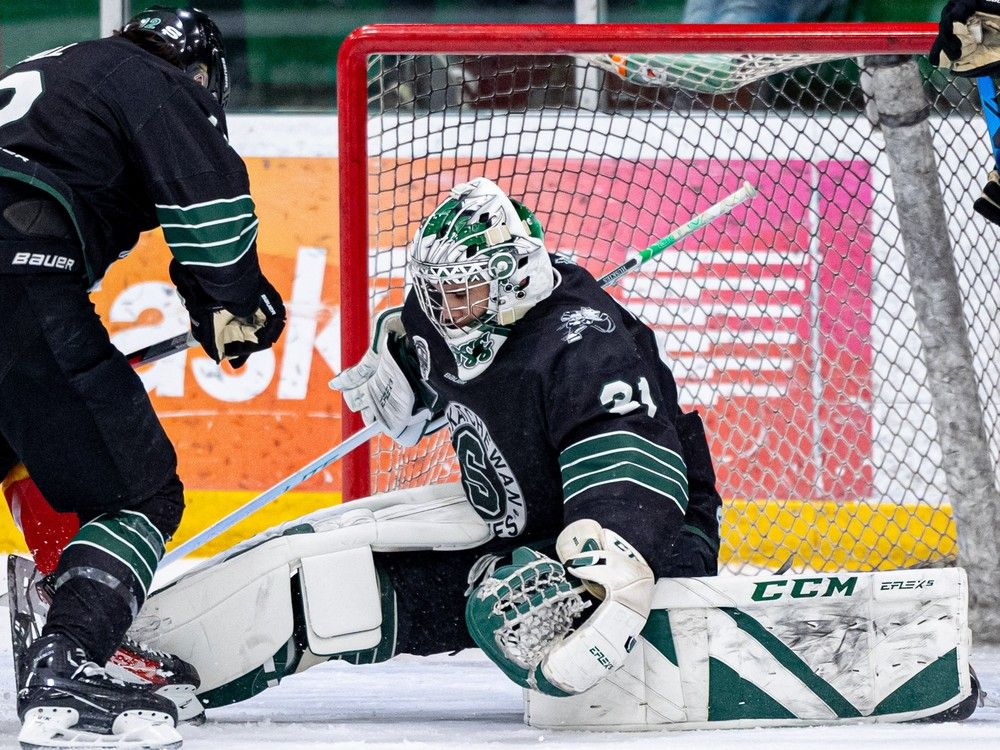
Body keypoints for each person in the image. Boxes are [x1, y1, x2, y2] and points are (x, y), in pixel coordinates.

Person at [119, 177, 722, 712]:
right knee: (330, 582)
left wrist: (605, 571)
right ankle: (134, 649)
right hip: (516, 523)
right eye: (437, 293)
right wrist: (403, 358)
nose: (444, 310)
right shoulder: (449, 315)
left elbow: (628, 464)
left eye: (462, 295)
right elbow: (421, 339)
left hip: (641, 541)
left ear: (514, 282)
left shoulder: (584, 345)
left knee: (448, 600)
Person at [0, 5, 285, 748]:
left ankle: (78, 610)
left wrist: (206, 301)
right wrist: (239, 300)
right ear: (199, 72)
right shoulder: (157, 80)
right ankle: (68, 659)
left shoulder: (69, 69)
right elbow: (211, 217)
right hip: (16, 275)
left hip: (15, 273)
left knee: (30, 440)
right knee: (139, 489)